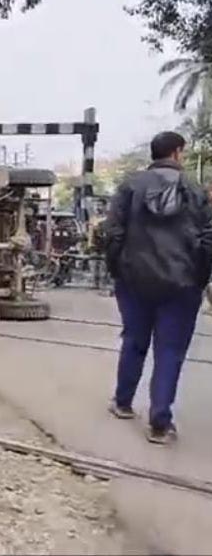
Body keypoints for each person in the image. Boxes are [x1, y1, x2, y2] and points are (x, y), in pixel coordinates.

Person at [105, 131, 212, 444]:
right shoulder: (196, 191)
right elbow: (208, 240)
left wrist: (118, 272)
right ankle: (160, 424)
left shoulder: (130, 186)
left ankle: (123, 403)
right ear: (178, 153)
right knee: (169, 351)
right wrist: (199, 278)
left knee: (134, 340)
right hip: (182, 285)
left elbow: (113, 234)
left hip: (134, 280)